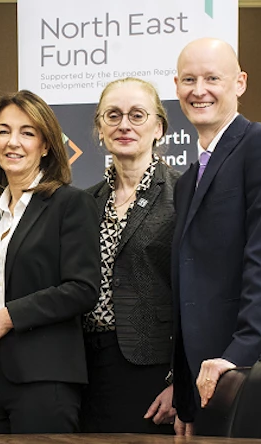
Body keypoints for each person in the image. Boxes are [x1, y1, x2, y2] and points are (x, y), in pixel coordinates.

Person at [170, 38, 261, 435]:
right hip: (205, 383)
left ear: (240, 83)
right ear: (176, 85)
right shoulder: (186, 183)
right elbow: (189, 289)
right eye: (189, 79)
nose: (199, 90)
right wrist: (185, 399)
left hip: (254, 369)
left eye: (212, 78)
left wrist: (237, 357)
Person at [0, 90, 100, 434]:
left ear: (46, 145)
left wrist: (10, 317)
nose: (13, 142)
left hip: (45, 378)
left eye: (27, 132)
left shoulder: (70, 204)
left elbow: (83, 289)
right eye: (3, 131)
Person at [81, 77, 180, 434]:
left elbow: (198, 297)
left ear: (159, 127)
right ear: (99, 128)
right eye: (113, 115)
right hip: (86, 367)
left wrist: (180, 382)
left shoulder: (182, 194)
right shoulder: (83, 202)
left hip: (152, 369)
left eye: (137, 115)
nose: (124, 125)